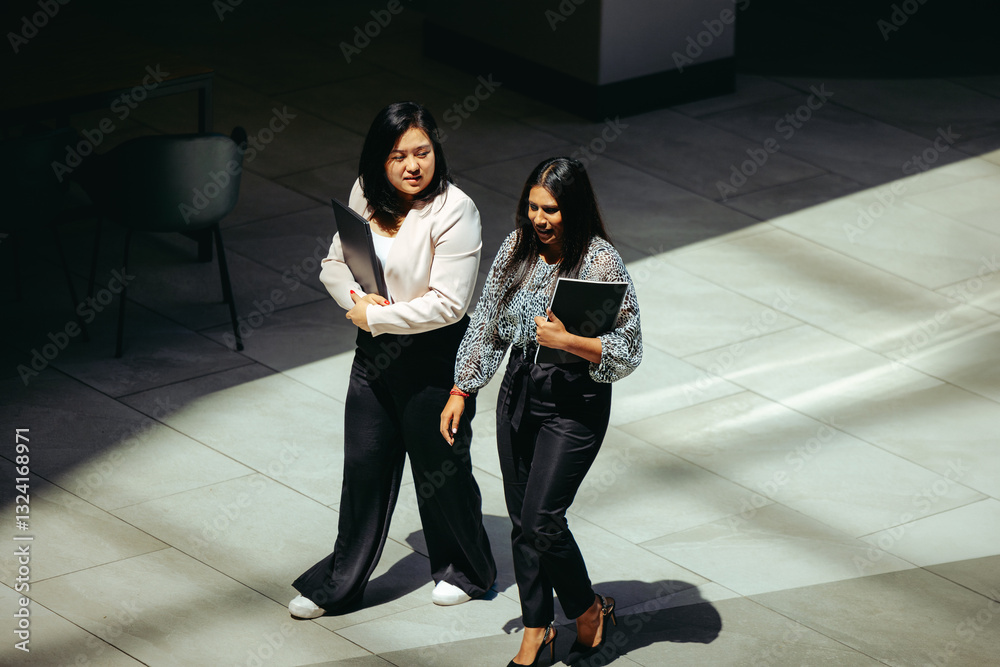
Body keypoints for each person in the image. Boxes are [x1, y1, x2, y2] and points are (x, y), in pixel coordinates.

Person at [289, 101, 496, 619]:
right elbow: (335, 262)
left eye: (422, 152)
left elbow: (450, 304)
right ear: (379, 159)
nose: (412, 165)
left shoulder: (456, 210)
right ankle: (338, 583)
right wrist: (356, 302)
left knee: (441, 469)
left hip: (435, 358)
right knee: (364, 467)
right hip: (375, 354)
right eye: (398, 155)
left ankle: (467, 570)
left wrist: (377, 316)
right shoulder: (365, 192)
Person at [440, 157, 642, 666]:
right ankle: (537, 630)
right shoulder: (516, 249)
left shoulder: (600, 262)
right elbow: (486, 323)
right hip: (520, 389)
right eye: (532, 207)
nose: (538, 219)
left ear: (573, 208)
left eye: (550, 209)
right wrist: (462, 388)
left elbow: (629, 347)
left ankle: (588, 610)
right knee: (520, 521)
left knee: (542, 520)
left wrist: (568, 340)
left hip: (575, 401)